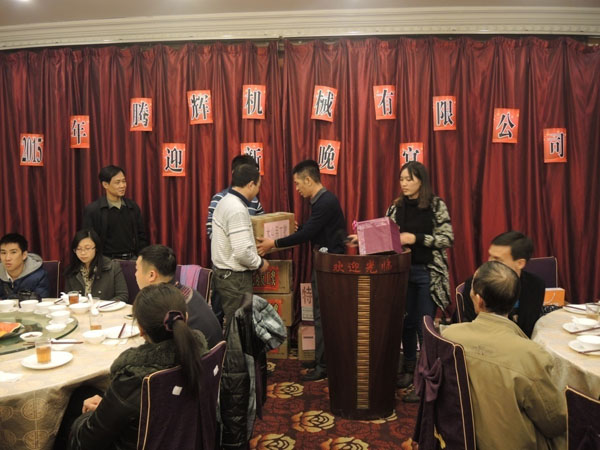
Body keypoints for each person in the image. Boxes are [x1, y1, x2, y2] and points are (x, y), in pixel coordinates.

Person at [64, 283, 208, 450]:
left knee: (74, 404)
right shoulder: (201, 355)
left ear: (140, 329)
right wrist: (107, 408)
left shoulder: (133, 378)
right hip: (190, 441)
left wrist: (90, 416)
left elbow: (83, 443)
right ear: (186, 318)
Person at [442, 261, 566, 450]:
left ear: (478, 300)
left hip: (456, 437)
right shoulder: (531, 355)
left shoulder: (448, 336)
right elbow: (554, 423)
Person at [257, 159, 347, 382]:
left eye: (298, 183)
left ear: (308, 179)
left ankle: (324, 366)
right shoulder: (320, 201)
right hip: (323, 262)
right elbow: (315, 228)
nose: (296, 189)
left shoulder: (325, 201)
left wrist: (273, 243)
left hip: (329, 266)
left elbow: (308, 235)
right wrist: (302, 227)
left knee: (322, 315)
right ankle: (321, 359)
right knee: (320, 313)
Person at [386, 161, 453, 401]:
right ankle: (408, 368)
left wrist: (416, 238)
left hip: (427, 273)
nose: (404, 184)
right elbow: (385, 235)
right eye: (401, 179)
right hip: (402, 272)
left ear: (421, 181)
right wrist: (364, 238)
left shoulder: (436, 205)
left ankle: (426, 379)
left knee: (425, 327)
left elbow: (447, 238)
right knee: (406, 323)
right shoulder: (396, 207)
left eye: (409, 179)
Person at [211, 161, 269, 326]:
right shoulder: (236, 208)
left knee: (234, 325)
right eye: (258, 186)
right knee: (239, 328)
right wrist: (259, 263)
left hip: (225, 275)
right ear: (250, 184)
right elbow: (242, 252)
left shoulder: (226, 201)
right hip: (235, 279)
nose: (258, 191)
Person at [135, 244, 223, 348]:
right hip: (216, 355)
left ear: (151, 275)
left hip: (198, 356)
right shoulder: (189, 292)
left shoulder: (163, 309)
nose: (135, 274)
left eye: (137, 269)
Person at [460, 231, 545, 338]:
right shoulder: (475, 284)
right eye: (490, 256)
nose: (489, 263)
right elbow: (473, 326)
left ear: (520, 263)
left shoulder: (536, 285)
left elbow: (528, 327)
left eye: (497, 259)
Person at [82, 165, 148, 259]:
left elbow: (141, 237)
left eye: (124, 181)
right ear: (105, 184)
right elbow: (88, 240)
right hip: (106, 261)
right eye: (117, 182)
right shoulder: (93, 210)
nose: (122, 185)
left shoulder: (132, 207)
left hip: (132, 259)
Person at [206, 155, 265, 239]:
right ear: (235, 173)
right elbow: (211, 230)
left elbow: (261, 224)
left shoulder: (254, 200)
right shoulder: (220, 198)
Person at [64, 229, 128, 303]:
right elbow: (68, 297)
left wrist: (101, 306)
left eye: (87, 248)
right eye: (79, 249)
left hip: (104, 309)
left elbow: (123, 296)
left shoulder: (112, 267)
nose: (83, 253)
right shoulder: (72, 270)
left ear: (96, 248)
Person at [0, 233, 49, 299]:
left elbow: (41, 300)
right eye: (3, 253)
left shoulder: (39, 276)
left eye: (13, 252)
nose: (7, 258)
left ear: (24, 255)